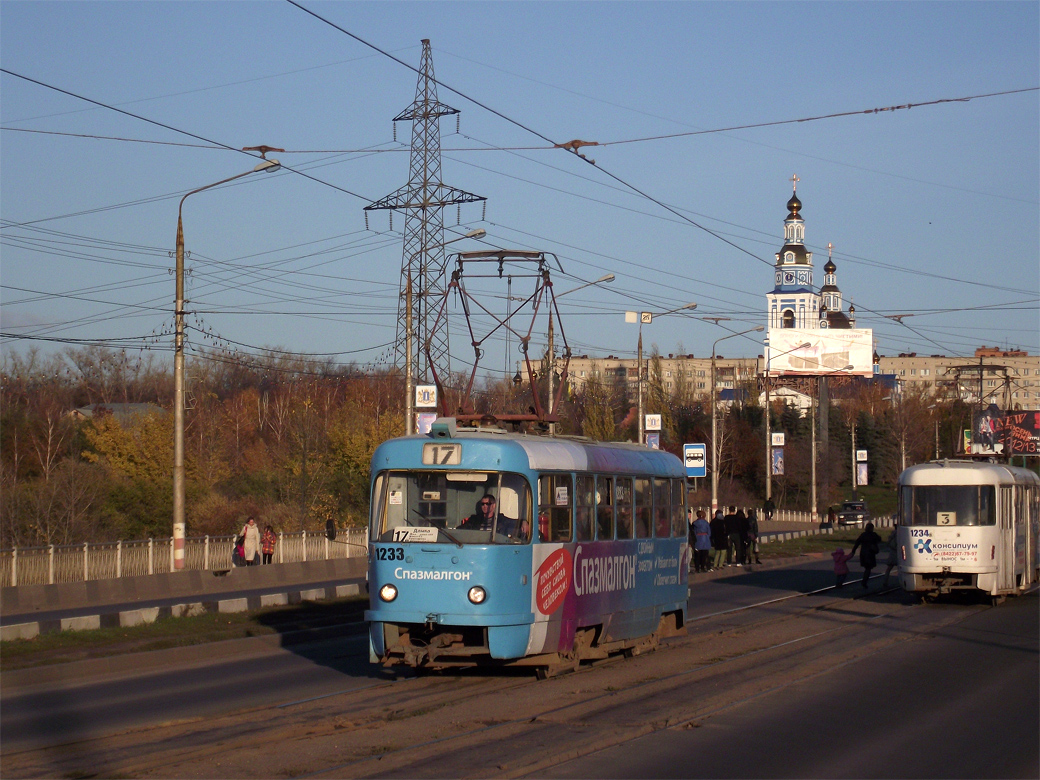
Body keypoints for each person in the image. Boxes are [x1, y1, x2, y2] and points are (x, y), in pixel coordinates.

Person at [848, 522, 883, 589]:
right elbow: (879, 539)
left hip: (863, 553)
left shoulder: (863, 535)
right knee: (868, 568)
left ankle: (864, 581)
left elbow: (857, 543)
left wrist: (853, 551)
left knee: (867, 568)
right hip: (870, 553)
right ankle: (864, 581)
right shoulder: (873, 535)